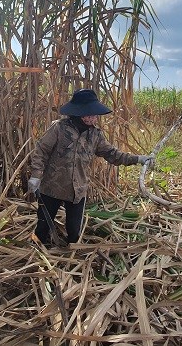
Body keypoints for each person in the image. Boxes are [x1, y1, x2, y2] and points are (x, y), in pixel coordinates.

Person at [27, 88, 153, 247]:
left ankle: (70, 259)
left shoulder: (95, 135)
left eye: (94, 114)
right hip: (52, 187)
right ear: (78, 113)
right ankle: (37, 253)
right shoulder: (59, 128)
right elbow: (41, 151)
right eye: (89, 114)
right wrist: (36, 175)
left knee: (74, 231)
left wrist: (138, 159)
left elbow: (113, 154)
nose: (93, 118)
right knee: (42, 226)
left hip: (77, 190)